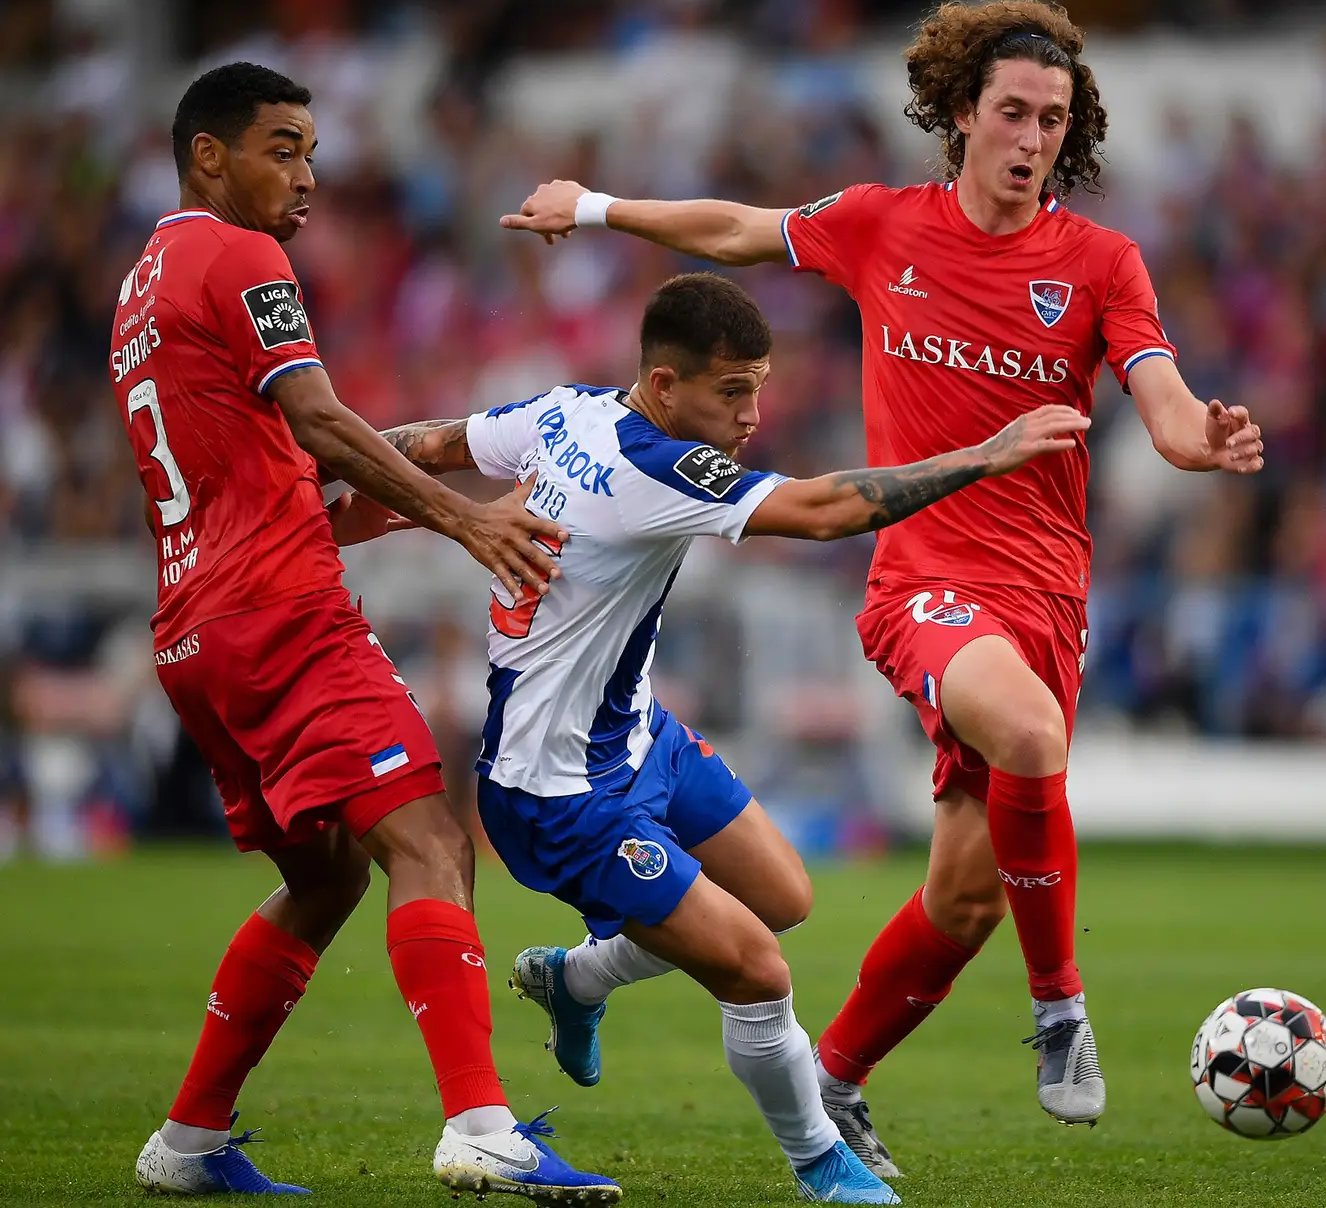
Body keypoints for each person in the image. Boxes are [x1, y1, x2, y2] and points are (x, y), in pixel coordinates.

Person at [499, 0, 1265, 1168]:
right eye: (1011, 109)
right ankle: (1060, 1010)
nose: (1031, 134)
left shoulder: (1102, 263)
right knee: (1028, 732)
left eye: (1053, 118)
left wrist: (1196, 437)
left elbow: (1158, 398)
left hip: (1046, 595)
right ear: (963, 114)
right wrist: (596, 207)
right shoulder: (880, 225)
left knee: (966, 898)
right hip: (925, 579)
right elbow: (738, 230)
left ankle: (839, 1075)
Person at [377, 272, 1089, 1205]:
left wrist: (324, 469)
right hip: (557, 795)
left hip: (638, 736)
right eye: (733, 391)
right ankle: (820, 1161)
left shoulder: (564, 410)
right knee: (757, 967)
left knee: (784, 896)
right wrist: (986, 455)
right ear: (666, 388)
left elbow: (422, 446)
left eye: (758, 386)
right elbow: (829, 512)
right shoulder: (656, 469)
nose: (754, 413)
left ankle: (578, 982)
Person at [118, 62, 618, 1201]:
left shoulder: (143, 284)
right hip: (280, 614)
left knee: (330, 871)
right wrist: (464, 518)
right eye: (282, 147)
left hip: (196, 629)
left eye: (311, 151)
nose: (306, 175)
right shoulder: (241, 253)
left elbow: (267, 467)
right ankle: (482, 1126)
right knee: (431, 842)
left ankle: (187, 1140)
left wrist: (399, 492)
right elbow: (318, 418)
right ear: (209, 155)